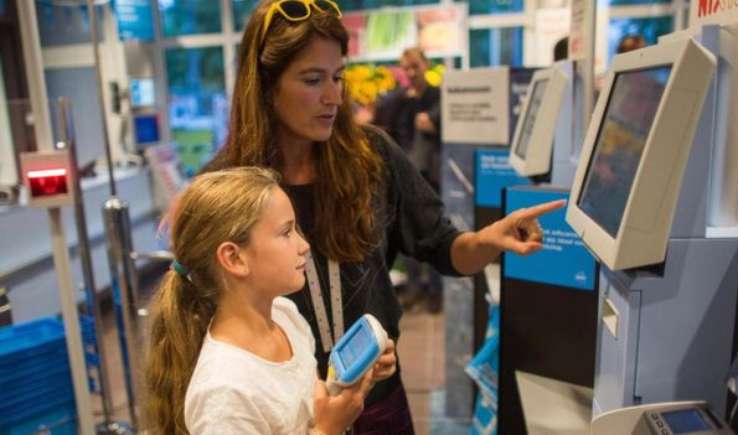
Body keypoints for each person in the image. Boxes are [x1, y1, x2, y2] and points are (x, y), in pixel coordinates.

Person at [203, 1, 565, 432]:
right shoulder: (229, 188)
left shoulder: (371, 158)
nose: (333, 96)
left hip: (378, 405)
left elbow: (445, 248)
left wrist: (490, 239)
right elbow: (216, 319)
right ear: (265, 86)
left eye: (337, 76)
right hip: (290, 417)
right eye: (312, 79)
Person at [143, 167, 397, 434]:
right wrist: (326, 430)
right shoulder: (224, 393)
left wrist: (351, 385)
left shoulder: (285, 315)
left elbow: (303, 408)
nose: (304, 245)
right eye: (286, 232)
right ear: (234, 258)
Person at [372, 47, 444, 312]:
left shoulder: (437, 96)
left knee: (434, 233)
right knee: (407, 235)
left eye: (415, 66)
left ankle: (435, 291)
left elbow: (434, 124)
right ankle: (415, 289)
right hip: (402, 178)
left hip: (431, 177)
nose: (411, 72)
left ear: (426, 65)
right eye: (406, 67)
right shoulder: (398, 100)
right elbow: (383, 126)